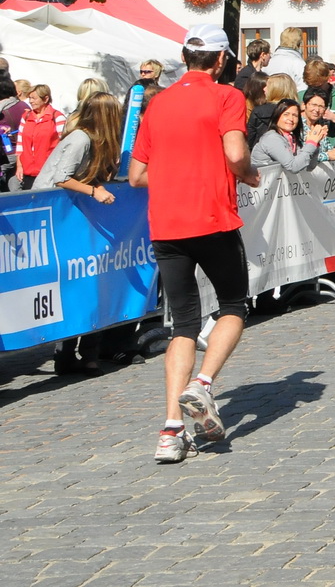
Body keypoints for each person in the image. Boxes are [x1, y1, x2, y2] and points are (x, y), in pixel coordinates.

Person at [128, 24, 259, 464]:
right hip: (212, 218)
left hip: (167, 224)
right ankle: (201, 385)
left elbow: (136, 175)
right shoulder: (227, 96)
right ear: (221, 61)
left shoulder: (157, 103)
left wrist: (176, 172)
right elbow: (237, 153)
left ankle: (170, 430)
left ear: (184, 57)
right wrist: (248, 175)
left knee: (182, 324)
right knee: (233, 306)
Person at [38, 92, 123, 375]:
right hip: (52, 215)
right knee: (73, 281)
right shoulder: (80, 139)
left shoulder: (96, 142)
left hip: (73, 214)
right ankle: (66, 353)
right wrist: (94, 191)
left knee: (91, 277)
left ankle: (88, 352)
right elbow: (62, 176)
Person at [16, 84, 65, 192]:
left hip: (48, 173)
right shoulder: (26, 117)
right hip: (27, 173)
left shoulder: (57, 117)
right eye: (29, 98)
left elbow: (64, 145)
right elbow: (20, 145)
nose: (30, 101)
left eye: (34, 98)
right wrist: (19, 166)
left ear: (46, 98)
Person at [250, 99, 319, 172]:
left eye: (295, 115)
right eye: (286, 114)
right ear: (277, 116)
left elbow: (309, 167)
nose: (291, 119)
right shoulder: (272, 138)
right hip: (263, 182)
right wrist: (311, 143)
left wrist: (315, 144)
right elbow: (293, 166)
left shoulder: (292, 139)